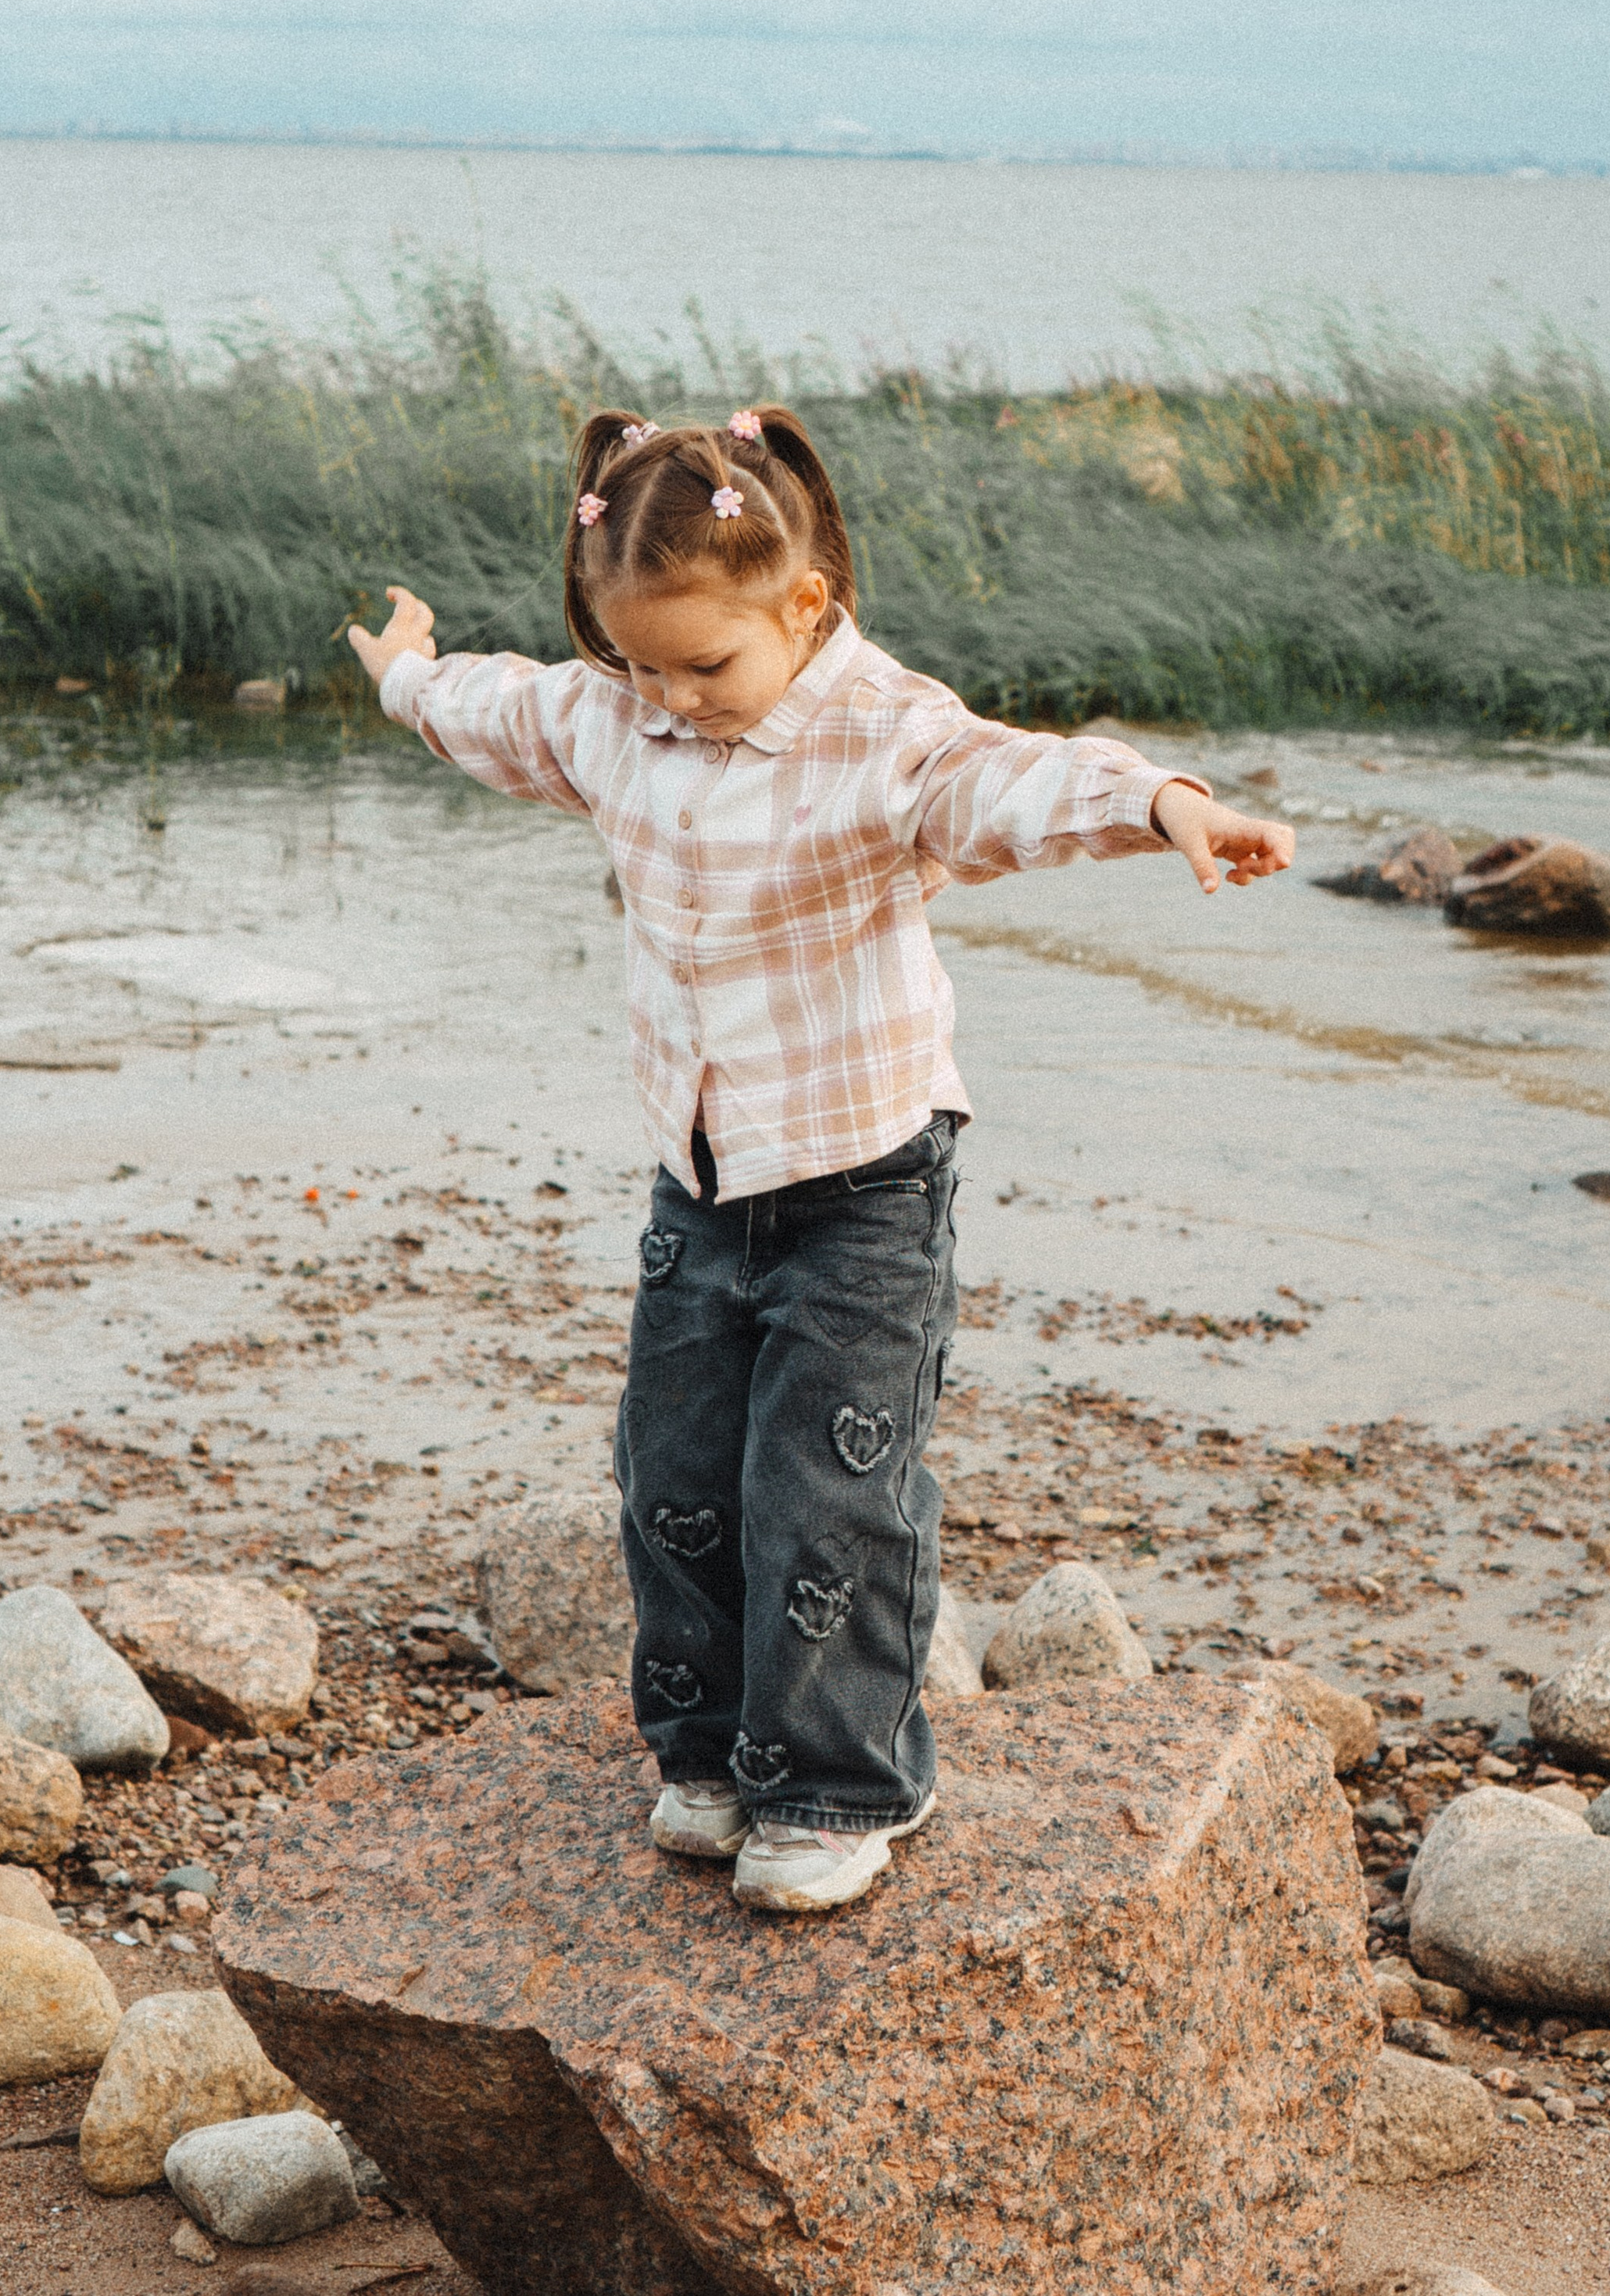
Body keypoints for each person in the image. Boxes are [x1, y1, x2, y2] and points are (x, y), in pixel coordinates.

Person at [348, 405, 1293, 1914]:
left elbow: (1016, 783)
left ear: (805, 604)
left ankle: (843, 1784)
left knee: (826, 1490)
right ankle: (714, 1753)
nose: (672, 699)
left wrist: (1167, 805)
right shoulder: (616, 715)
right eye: (641, 665)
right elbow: (502, 711)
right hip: (700, 1184)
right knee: (673, 1476)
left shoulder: (883, 732)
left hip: (864, 1191)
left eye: (704, 667)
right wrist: (404, 673)